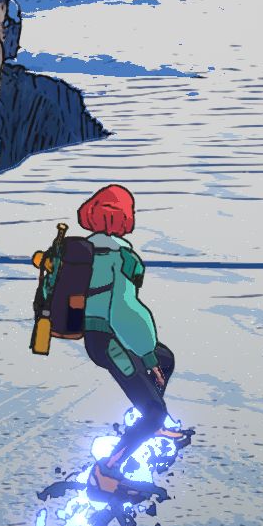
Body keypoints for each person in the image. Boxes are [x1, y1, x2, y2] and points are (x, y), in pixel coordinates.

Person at [68, 184, 188, 496]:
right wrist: (147, 355)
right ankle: (106, 471)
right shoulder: (120, 257)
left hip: (99, 338)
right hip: (113, 340)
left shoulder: (83, 253)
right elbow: (126, 312)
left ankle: (148, 423)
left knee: (166, 359)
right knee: (155, 407)